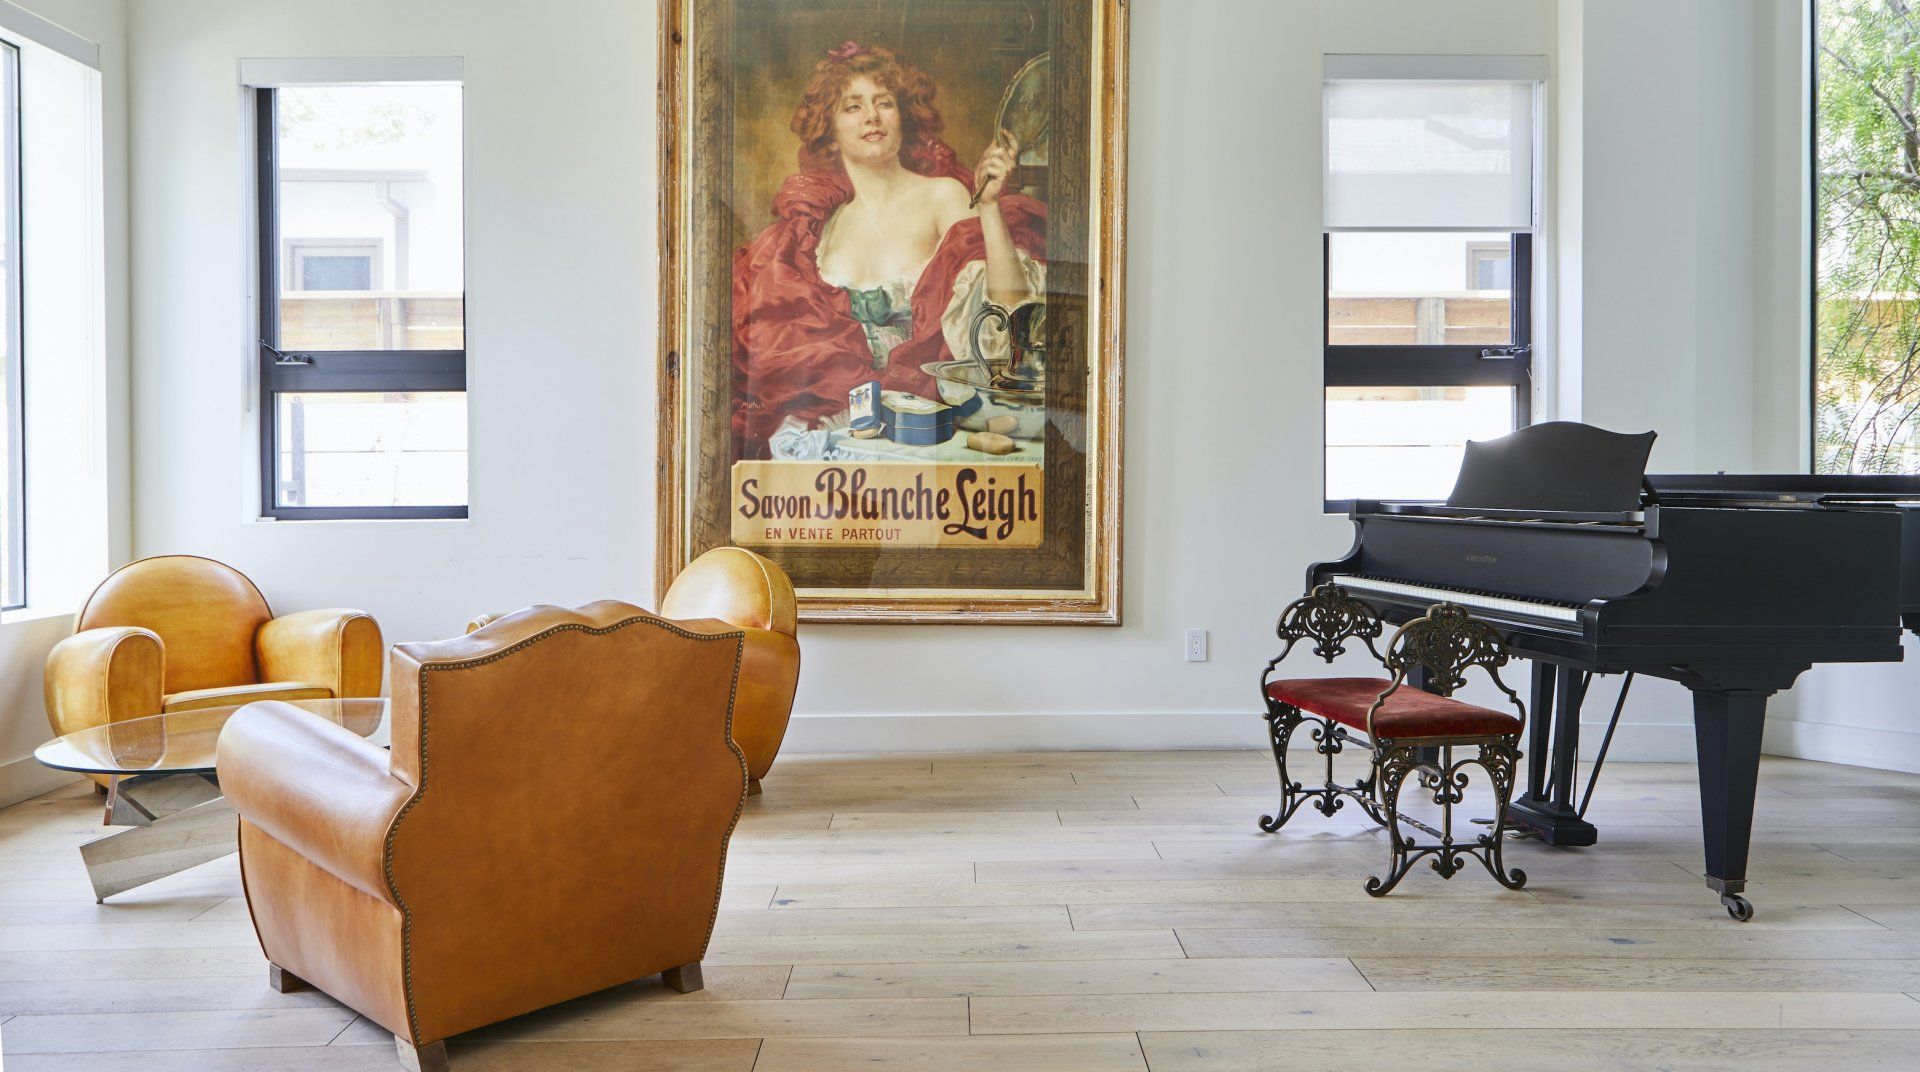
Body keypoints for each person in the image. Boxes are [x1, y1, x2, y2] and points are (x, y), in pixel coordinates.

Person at [731, 41, 1047, 459]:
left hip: (932, 434)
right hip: (841, 440)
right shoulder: (821, 230)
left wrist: (988, 207)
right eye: (853, 106)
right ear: (830, 128)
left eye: (884, 102)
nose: (872, 116)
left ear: (904, 117)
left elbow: (1008, 323)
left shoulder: (943, 196)